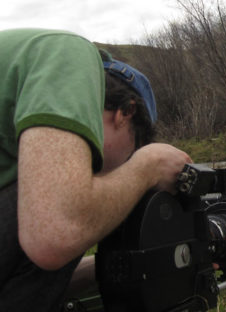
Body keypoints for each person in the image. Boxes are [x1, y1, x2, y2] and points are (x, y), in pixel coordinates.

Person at [0, 28, 192, 311]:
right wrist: (146, 166)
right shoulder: (70, 53)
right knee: (64, 205)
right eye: (132, 151)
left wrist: (128, 264)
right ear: (124, 113)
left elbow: (34, 265)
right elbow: (54, 235)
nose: (124, 164)